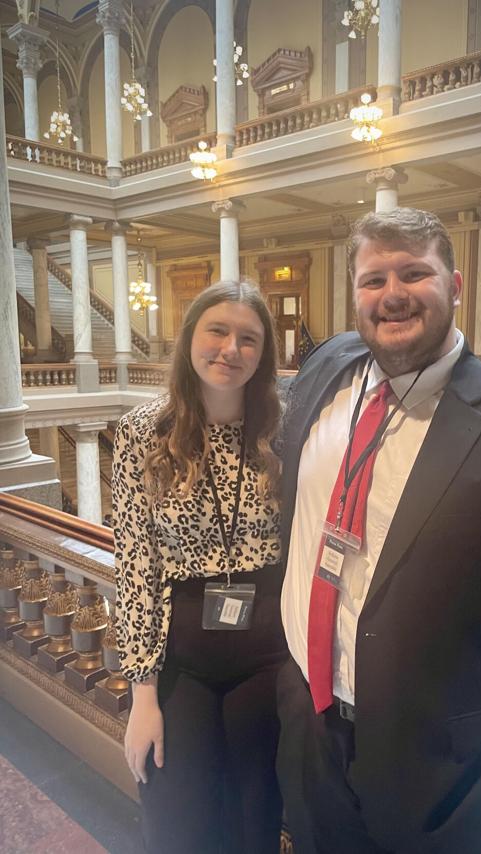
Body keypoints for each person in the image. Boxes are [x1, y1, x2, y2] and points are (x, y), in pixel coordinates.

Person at [277, 208, 481, 854]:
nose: (393, 294)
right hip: (312, 738)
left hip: (449, 776)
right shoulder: (325, 374)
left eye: (414, 273)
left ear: (455, 286)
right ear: (353, 295)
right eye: (373, 280)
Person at [112, 280, 286, 854]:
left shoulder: (282, 431)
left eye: (248, 339)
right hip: (182, 658)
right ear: (190, 337)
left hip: (267, 658)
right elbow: (135, 564)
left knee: (255, 819)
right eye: (217, 330)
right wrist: (142, 696)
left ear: (263, 355)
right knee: (179, 821)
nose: (230, 349)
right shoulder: (145, 433)